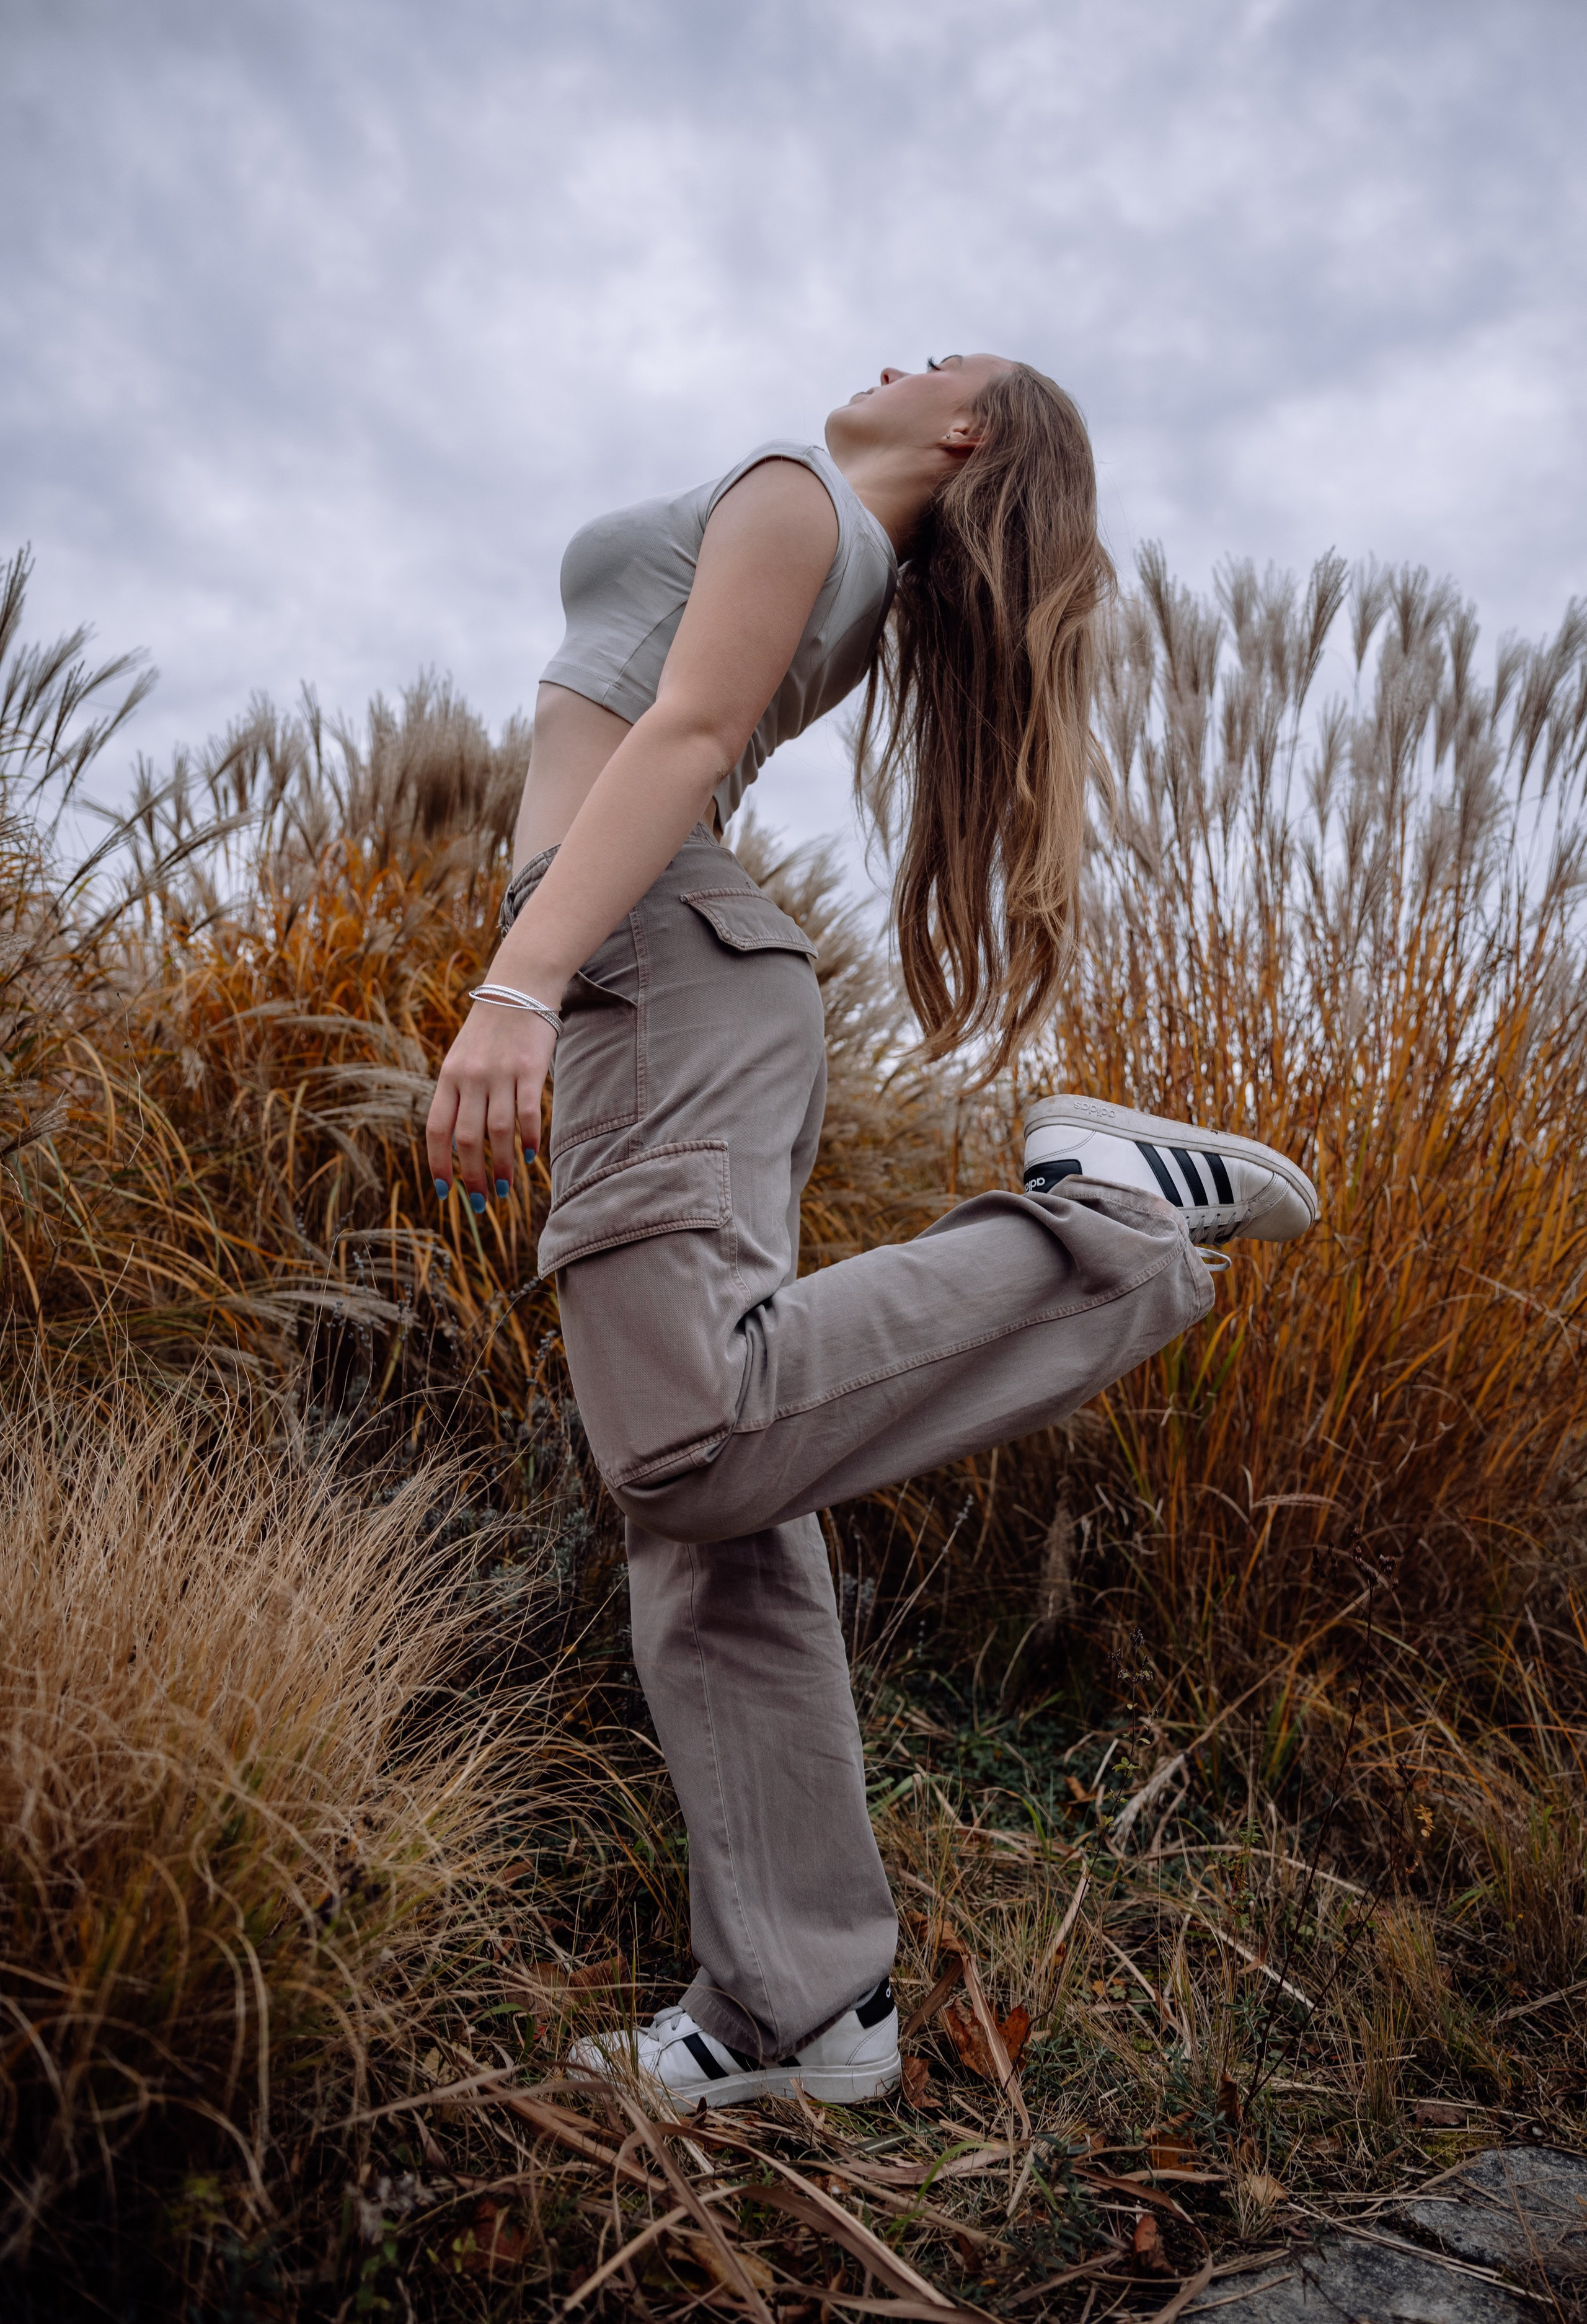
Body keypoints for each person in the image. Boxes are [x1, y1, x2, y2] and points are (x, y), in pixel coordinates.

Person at [425, 355, 1316, 2108]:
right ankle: (799, 2008)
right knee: (723, 1519)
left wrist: (517, 984)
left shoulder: (795, 492)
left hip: (638, 966)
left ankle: (1102, 1228)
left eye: (942, 364)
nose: (899, 364)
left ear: (966, 435)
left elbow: (681, 736)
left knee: (687, 1444)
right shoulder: (836, 540)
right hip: (663, 972)